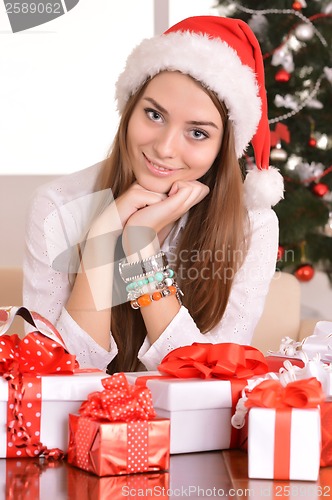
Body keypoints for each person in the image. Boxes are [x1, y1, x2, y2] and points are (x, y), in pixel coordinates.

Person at [23, 16, 284, 373]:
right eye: (154, 114)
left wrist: (141, 250)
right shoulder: (59, 205)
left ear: (225, 146)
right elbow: (52, 377)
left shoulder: (252, 226)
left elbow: (210, 383)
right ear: (129, 109)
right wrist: (103, 240)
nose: (164, 148)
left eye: (197, 133)